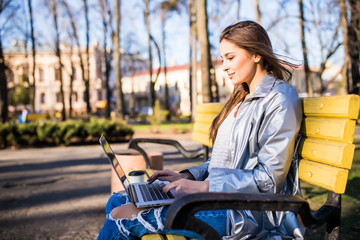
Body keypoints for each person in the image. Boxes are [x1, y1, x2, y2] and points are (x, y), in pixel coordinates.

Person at [98, 20, 304, 240]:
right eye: (223, 58)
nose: (224, 65)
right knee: (118, 201)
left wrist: (203, 187)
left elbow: (269, 181)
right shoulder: (242, 98)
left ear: (256, 54)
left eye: (231, 57)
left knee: (122, 216)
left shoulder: (279, 100)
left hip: (247, 213)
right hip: (222, 199)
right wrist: (187, 175)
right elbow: (225, 162)